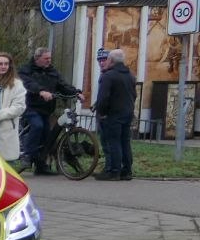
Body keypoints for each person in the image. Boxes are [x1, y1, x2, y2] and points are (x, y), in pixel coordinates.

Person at [17, 46, 83, 175]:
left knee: (47, 136)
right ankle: (27, 155)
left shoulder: (52, 72)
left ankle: (41, 166)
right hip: (30, 107)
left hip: (46, 110)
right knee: (37, 126)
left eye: (50, 58)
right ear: (37, 58)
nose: (49, 61)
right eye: (46, 58)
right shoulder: (26, 70)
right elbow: (28, 83)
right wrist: (40, 91)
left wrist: (76, 92)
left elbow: (62, 85)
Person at [93, 47, 135, 181]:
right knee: (125, 141)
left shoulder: (108, 76)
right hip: (127, 113)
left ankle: (113, 171)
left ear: (111, 60)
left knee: (113, 142)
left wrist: (102, 112)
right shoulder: (130, 75)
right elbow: (134, 95)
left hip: (112, 115)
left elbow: (103, 98)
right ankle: (126, 170)